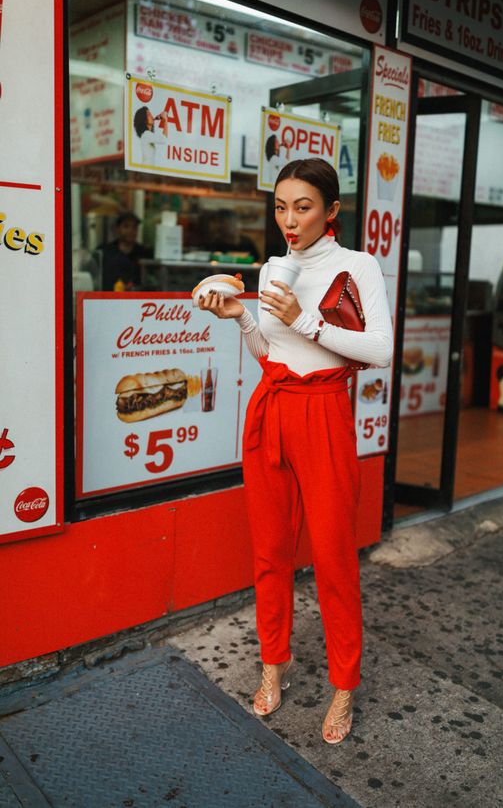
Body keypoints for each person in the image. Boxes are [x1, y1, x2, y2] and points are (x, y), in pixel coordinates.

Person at [199, 158, 393, 745]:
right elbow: (269, 352)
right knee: (269, 550)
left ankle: (343, 686)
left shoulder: (358, 266)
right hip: (272, 407)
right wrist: (240, 319)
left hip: (326, 413)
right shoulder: (271, 268)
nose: (289, 219)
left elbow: (380, 349)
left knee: (334, 555)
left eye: (303, 206)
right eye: (281, 206)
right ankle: (273, 664)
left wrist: (306, 319)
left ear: (332, 211)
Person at [100, 212, 151, 291]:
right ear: (117, 229)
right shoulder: (105, 252)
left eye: (134, 227)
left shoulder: (144, 253)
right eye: (126, 226)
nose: (131, 231)